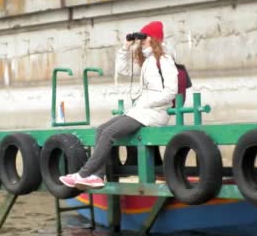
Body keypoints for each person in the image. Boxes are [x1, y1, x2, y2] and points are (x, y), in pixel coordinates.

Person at [59, 21, 178, 190]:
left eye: (145, 37)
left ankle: (83, 174)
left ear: (154, 39)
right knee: (101, 130)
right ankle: (97, 176)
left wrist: (148, 103)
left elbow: (171, 91)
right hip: (142, 112)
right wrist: (125, 47)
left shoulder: (164, 60)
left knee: (109, 133)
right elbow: (123, 69)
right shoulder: (147, 61)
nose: (142, 40)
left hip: (154, 113)